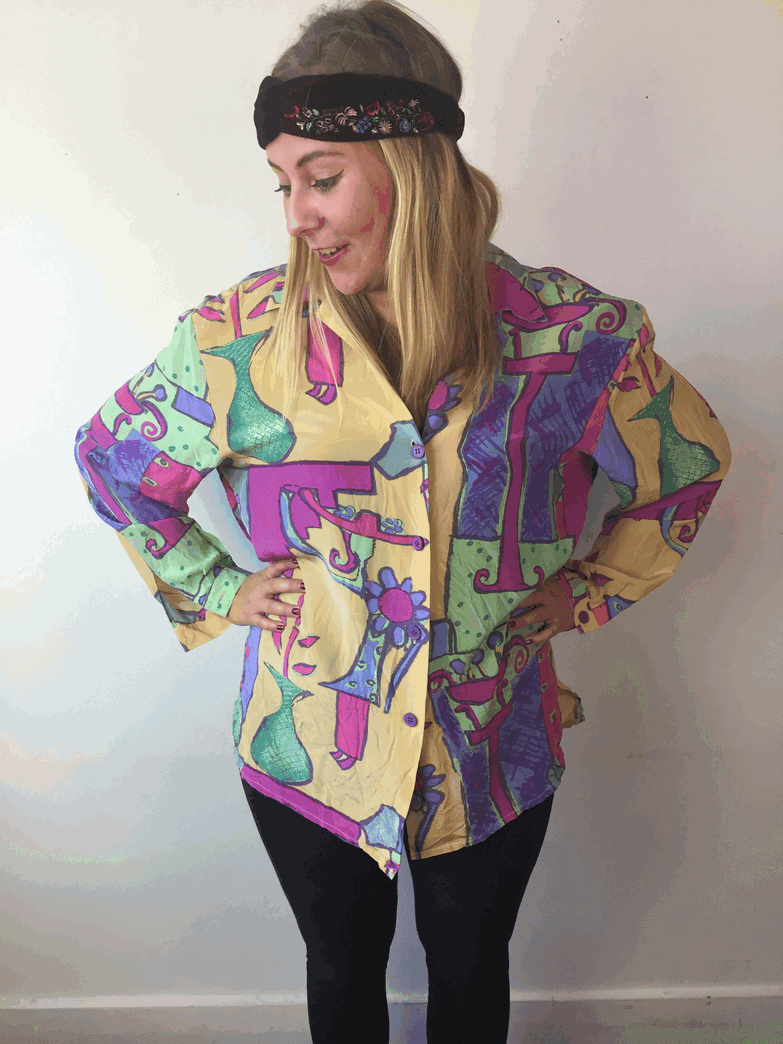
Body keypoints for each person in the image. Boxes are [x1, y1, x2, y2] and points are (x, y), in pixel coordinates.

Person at [73, 1, 732, 1041]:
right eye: (283, 184)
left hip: (493, 744)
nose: (296, 215)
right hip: (309, 745)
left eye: (321, 177)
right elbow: (114, 461)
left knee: (470, 971)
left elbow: (686, 467)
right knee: (341, 971)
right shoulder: (237, 343)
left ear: (412, 164)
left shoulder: (574, 337)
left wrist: (590, 591)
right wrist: (220, 588)